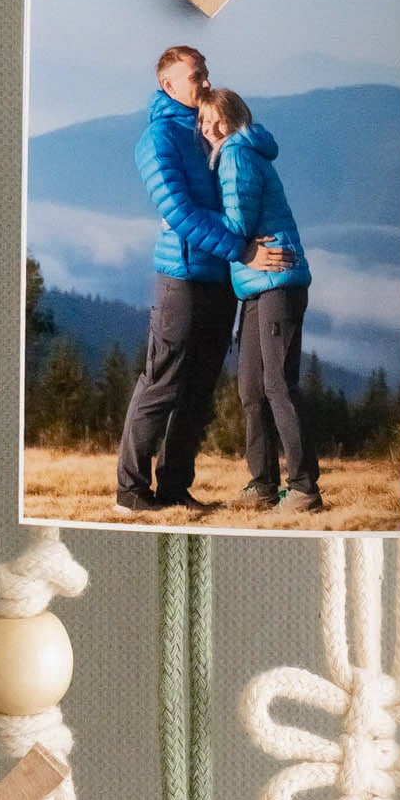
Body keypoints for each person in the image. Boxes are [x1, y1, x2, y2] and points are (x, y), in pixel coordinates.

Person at [112, 43, 287, 516]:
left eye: (207, 72)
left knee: (199, 389)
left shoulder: (208, 122)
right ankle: (130, 491)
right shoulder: (157, 140)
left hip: (222, 279)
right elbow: (178, 211)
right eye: (196, 76)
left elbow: (255, 142)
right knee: (163, 383)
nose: (206, 82)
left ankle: (173, 487)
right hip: (184, 278)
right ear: (167, 84)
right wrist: (244, 249)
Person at [198, 83, 319, 515]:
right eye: (203, 121)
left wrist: (192, 215)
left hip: (277, 283)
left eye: (217, 120)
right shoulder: (235, 154)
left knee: (277, 384)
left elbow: (238, 221)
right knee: (251, 388)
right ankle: (262, 483)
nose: (210, 128)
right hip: (254, 284)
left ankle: (304, 488)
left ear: (234, 119)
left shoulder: (236, 155)